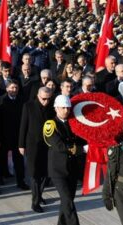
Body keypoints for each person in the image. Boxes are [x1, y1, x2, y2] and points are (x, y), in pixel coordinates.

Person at [43, 95, 85, 225]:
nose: (66, 110)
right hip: (58, 170)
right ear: (56, 108)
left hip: (71, 169)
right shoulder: (50, 125)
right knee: (67, 201)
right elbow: (59, 146)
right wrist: (82, 149)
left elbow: (80, 139)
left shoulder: (73, 123)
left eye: (68, 107)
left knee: (67, 201)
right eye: (63, 108)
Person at [19, 87, 55, 213]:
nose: (46, 101)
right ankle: (35, 203)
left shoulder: (52, 107)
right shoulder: (28, 106)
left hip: (48, 145)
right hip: (32, 145)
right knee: (34, 174)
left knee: (46, 173)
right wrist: (21, 145)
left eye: (48, 99)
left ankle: (39, 195)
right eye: (44, 99)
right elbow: (23, 126)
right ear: (38, 96)